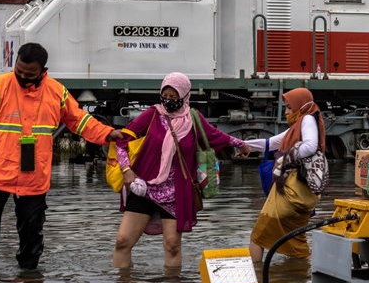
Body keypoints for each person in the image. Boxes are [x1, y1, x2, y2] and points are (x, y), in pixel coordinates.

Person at [0, 42, 123, 270]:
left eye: (30, 75)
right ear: (15, 64)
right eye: (19, 72)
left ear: (43, 71)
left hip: (34, 177)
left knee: (32, 233)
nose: (23, 78)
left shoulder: (56, 91)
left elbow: (79, 120)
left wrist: (108, 133)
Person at [112, 72, 249, 269]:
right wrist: (126, 169)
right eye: (165, 96)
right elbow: (122, 141)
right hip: (144, 188)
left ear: (184, 96)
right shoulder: (151, 115)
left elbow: (216, 136)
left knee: (172, 245)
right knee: (123, 241)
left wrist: (241, 144)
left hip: (176, 192)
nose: (168, 101)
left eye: (174, 97)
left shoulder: (193, 119)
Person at [245, 88, 327, 263]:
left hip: (291, 192)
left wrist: (286, 156)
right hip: (305, 194)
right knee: (297, 243)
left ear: (301, 106)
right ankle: (301, 281)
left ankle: (257, 281)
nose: (287, 112)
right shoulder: (298, 126)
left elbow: (311, 146)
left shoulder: (306, 119)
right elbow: (271, 143)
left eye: (289, 107)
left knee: (257, 237)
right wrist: (241, 144)